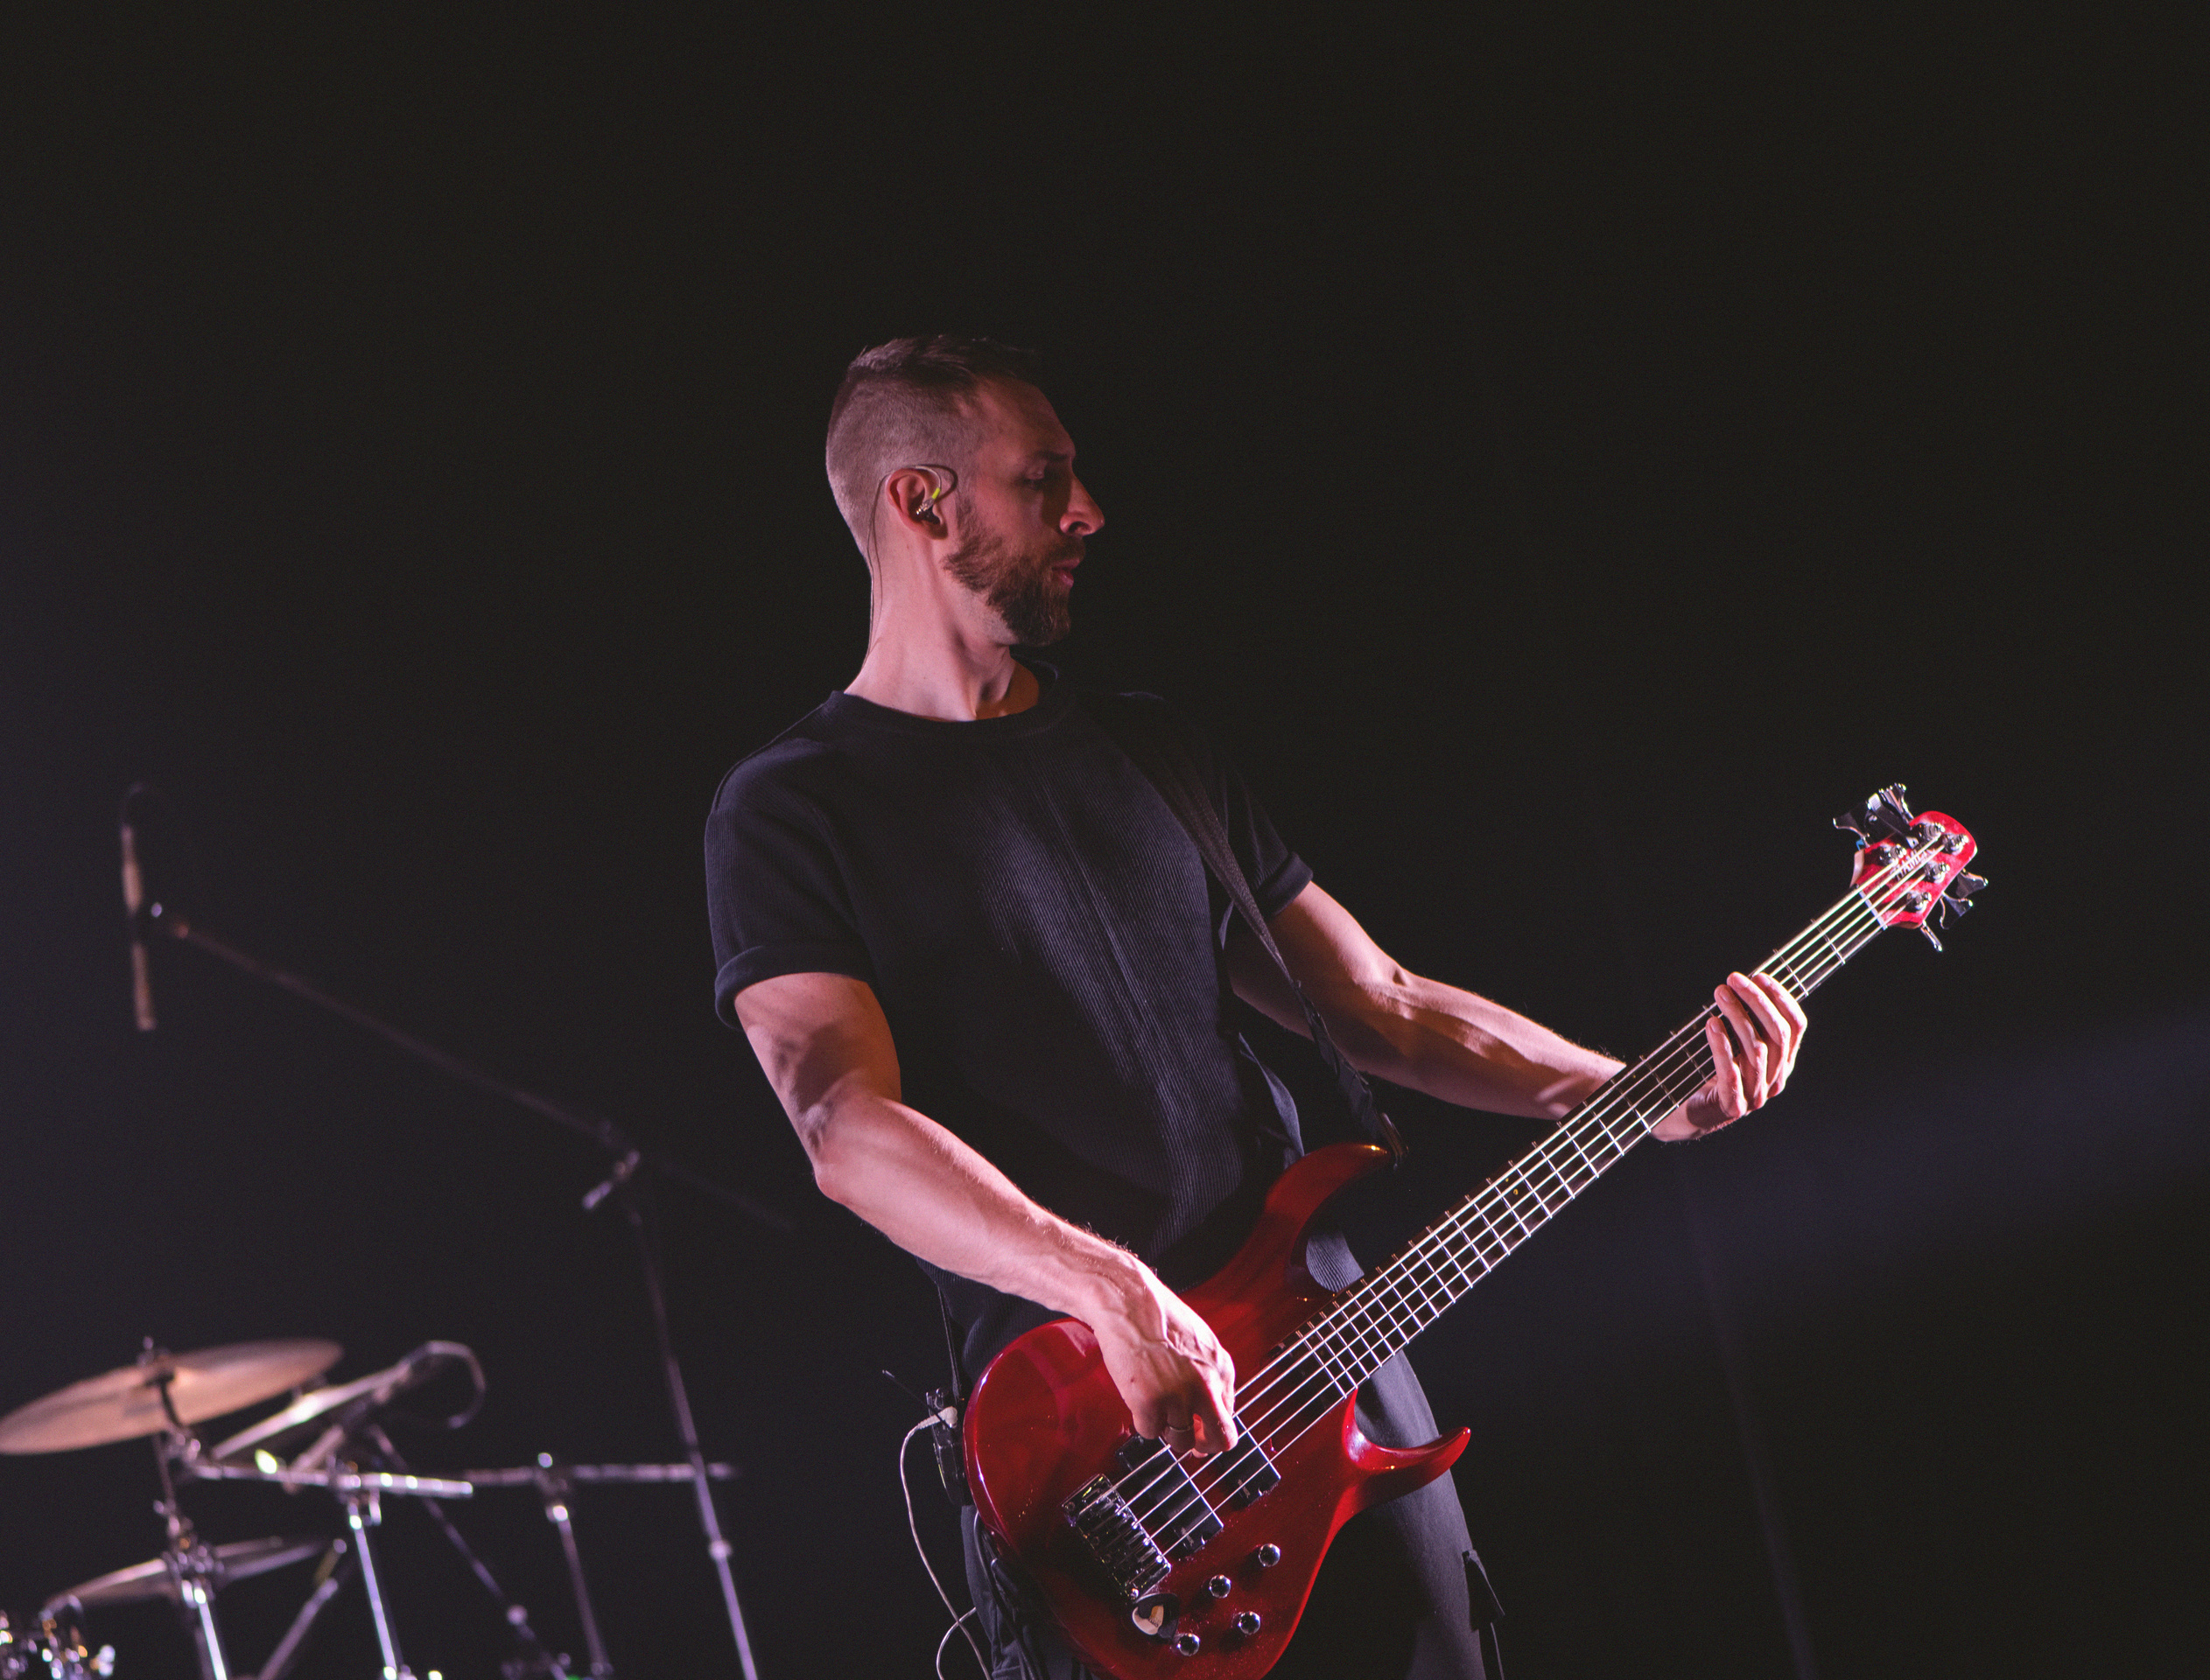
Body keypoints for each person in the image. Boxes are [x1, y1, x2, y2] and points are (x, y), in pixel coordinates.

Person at [705, 336, 1807, 1679]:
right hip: (1092, 1449)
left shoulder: (1153, 747)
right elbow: (844, 1126)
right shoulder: (797, 806)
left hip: (1322, 1350)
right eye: (1042, 479)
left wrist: (1624, 1088)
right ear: (925, 504)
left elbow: (1379, 1001)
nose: (1087, 513)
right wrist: (1108, 1288)